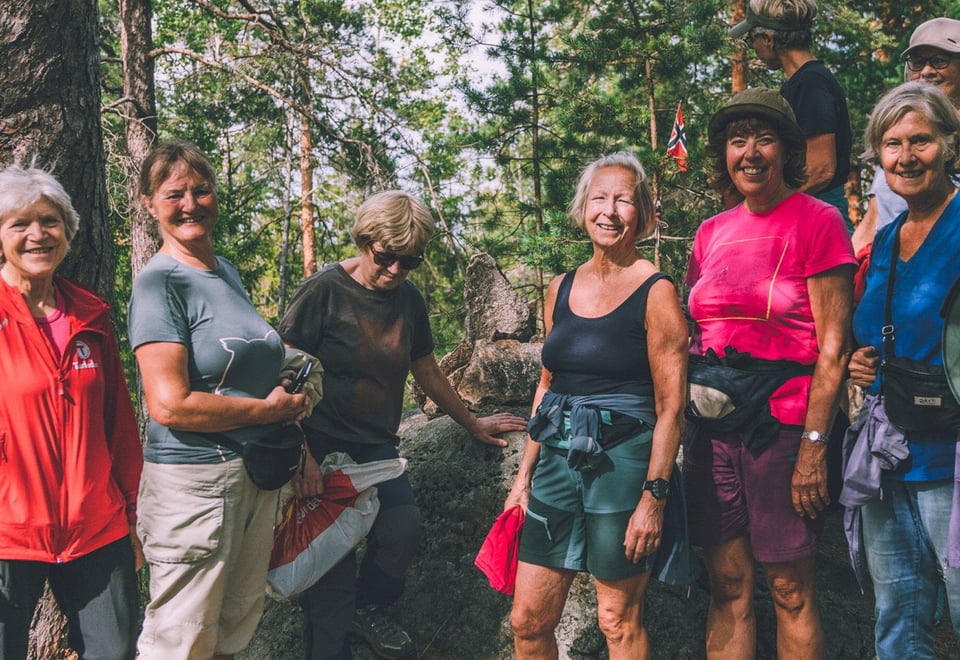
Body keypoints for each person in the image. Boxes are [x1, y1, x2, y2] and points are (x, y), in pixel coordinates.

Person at [277, 190, 527, 660]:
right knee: (329, 579)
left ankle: (369, 607)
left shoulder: (407, 300)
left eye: (409, 261)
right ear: (364, 241)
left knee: (402, 527)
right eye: (386, 257)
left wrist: (472, 423)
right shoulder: (323, 292)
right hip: (319, 447)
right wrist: (300, 456)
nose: (395, 270)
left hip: (376, 447)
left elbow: (426, 370)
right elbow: (284, 376)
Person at [683, 88, 856, 659]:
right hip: (710, 430)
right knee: (728, 584)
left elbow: (834, 348)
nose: (750, 153)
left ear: (787, 150)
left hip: (782, 431)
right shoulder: (710, 232)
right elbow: (691, 333)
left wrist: (814, 446)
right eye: (738, 141)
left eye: (764, 139)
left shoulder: (819, 220)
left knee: (789, 588)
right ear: (724, 154)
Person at [129, 140, 312, 660]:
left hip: (252, 476)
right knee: (181, 639)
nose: (190, 204)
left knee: (233, 628)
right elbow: (170, 405)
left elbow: (235, 364)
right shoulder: (159, 284)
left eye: (201, 190)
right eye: (174, 194)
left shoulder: (224, 271)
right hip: (193, 487)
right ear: (149, 204)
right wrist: (268, 411)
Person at [504, 152, 688, 658]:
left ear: (642, 213)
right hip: (556, 461)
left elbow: (671, 406)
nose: (609, 211)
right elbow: (547, 386)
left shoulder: (656, 291)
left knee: (617, 620)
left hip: (623, 464)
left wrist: (654, 497)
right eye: (599, 198)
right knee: (527, 621)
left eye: (623, 200)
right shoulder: (560, 287)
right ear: (583, 207)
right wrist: (523, 479)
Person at [0, 165, 143, 659]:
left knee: (116, 651)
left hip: (96, 524)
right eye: (19, 223)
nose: (37, 234)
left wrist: (134, 514)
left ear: (68, 230)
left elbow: (118, 426)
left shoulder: (90, 315)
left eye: (49, 221)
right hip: (8, 531)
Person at [844, 80, 960, 659]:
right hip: (889, 456)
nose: (906, 157)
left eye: (921, 140)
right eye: (892, 144)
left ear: (950, 145)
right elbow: (873, 329)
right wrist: (862, 362)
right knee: (897, 619)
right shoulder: (887, 239)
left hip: (951, 457)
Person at [730, 0, 854, 232]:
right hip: (807, 211)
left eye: (751, 39)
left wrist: (765, 206)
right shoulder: (801, 83)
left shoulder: (810, 83)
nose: (753, 48)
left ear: (769, 39)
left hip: (818, 217)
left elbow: (821, 169)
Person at [852, 17, 960, 253]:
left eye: (940, 61)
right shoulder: (901, 137)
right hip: (892, 262)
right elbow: (875, 216)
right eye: (917, 62)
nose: (927, 71)